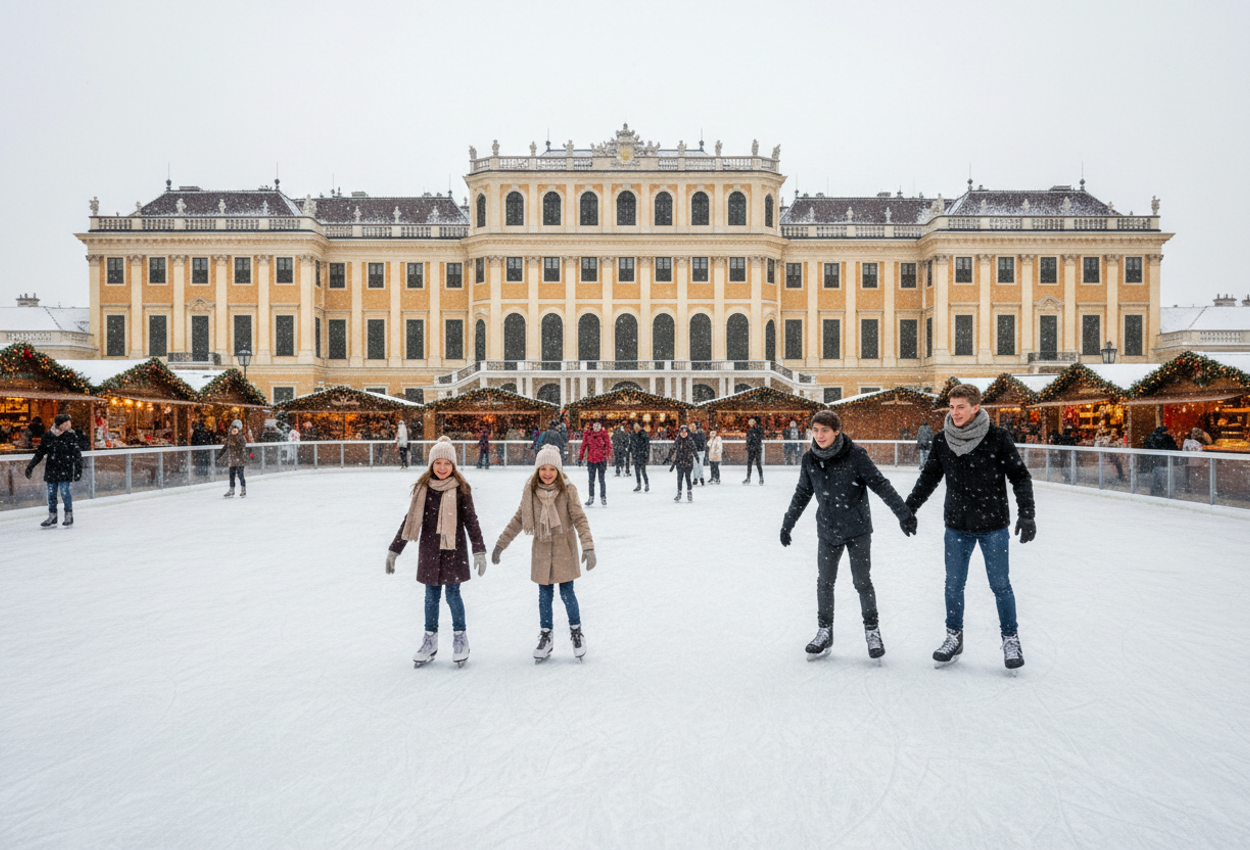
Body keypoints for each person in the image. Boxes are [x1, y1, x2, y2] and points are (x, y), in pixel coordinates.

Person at [904, 384, 1035, 670]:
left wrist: (1027, 513)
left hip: (993, 526)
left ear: (976, 407)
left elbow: (1020, 477)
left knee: (1000, 585)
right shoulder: (942, 440)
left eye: (960, 406)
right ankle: (954, 636)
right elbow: (929, 479)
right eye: (951, 407)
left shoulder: (998, 437)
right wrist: (909, 508)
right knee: (953, 585)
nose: (955, 412)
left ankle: (1010, 638)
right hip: (957, 526)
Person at [780, 410, 916, 659]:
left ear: (836, 432)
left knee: (862, 582)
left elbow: (880, 485)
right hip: (828, 531)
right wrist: (788, 523)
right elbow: (802, 493)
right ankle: (824, 631)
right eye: (816, 430)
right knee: (824, 582)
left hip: (858, 531)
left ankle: (872, 631)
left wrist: (903, 513)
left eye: (825, 431)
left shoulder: (856, 456)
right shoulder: (810, 459)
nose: (819, 435)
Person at [386, 436, 487, 667]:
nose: (442, 468)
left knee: (453, 595)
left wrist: (479, 550)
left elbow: (471, 521)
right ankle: (429, 640)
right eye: (438, 463)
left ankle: (460, 638)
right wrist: (395, 550)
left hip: (454, 551)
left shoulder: (461, 489)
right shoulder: (423, 489)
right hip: (430, 551)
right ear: (431, 465)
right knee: (431, 597)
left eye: (447, 464)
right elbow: (409, 521)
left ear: (453, 466)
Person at [492, 444, 596, 661]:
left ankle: (576, 632)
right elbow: (519, 520)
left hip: (564, 550)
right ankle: (546, 635)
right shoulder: (531, 492)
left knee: (568, 594)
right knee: (544, 596)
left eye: (551, 469)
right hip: (541, 551)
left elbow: (579, 519)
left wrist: (588, 547)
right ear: (536, 470)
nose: (547, 473)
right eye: (542, 469)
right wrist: (501, 544)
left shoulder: (568, 490)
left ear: (558, 471)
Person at [24, 413, 83, 528]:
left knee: (64, 491)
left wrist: (78, 470)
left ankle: (68, 514)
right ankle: (52, 515)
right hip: (52, 469)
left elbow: (77, 455)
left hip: (65, 468)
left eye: (69, 422)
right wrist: (30, 466)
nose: (69, 425)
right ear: (59, 425)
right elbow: (40, 453)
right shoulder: (48, 437)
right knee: (51, 493)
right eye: (66, 423)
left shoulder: (71, 436)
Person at [577, 419, 612, 506]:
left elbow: (608, 445)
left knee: (601, 479)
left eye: (598, 426)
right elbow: (583, 446)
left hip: (601, 460)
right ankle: (591, 497)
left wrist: (608, 456)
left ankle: (603, 497)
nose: (596, 428)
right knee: (591, 480)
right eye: (595, 426)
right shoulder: (588, 434)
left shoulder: (603, 434)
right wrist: (580, 458)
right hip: (591, 460)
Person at [1142, 425, 1179, 497]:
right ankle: (1167, 495)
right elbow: (1174, 449)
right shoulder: (1167, 438)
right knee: (1165, 480)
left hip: (1155, 464)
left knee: (1156, 478)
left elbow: (1146, 448)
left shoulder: (1151, 438)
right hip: (1165, 463)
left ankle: (1156, 493)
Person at [664, 424, 697, 502]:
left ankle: (689, 493)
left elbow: (694, 449)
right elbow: (673, 448)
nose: (683, 434)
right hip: (679, 462)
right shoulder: (678, 440)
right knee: (679, 478)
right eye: (682, 432)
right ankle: (679, 493)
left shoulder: (690, 440)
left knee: (688, 478)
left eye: (685, 432)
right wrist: (669, 457)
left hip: (688, 462)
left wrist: (696, 457)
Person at [217, 419, 249, 498]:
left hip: (240, 460)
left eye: (236, 430)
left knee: (240, 474)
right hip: (232, 460)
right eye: (233, 429)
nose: (234, 431)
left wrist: (236, 439)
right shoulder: (230, 438)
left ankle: (243, 489)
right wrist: (218, 456)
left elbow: (243, 446)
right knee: (231, 475)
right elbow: (225, 448)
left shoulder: (241, 438)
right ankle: (231, 490)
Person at [630, 421, 651, 492]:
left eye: (637, 428)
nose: (636, 429)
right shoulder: (633, 435)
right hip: (636, 454)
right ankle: (638, 484)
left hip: (642, 455)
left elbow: (647, 446)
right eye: (635, 428)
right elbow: (631, 444)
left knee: (643, 470)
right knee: (637, 471)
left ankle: (646, 484)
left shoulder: (644, 434)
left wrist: (646, 454)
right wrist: (630, 450)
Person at [743, 417, 765, 484]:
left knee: (757, 464)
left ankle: (760, 478)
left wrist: (750, 445)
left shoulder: (757, 430)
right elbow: (749, 439)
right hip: (753, 449)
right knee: (751, 464)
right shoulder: (750, 430)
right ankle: (749, 478)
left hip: (756, 448)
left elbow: (758, 438)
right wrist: (748, 446)